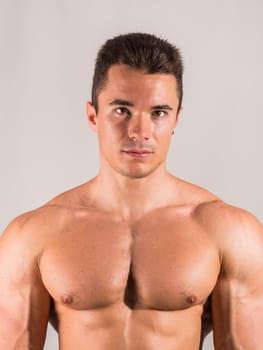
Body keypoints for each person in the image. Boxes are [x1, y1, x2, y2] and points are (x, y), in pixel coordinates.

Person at [0, 32, 262, 350]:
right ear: (93, 115)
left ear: (177, 119)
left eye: (158, 113)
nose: (140, 132)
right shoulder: (33, 234)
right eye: (122, 111)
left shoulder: (230, 231)